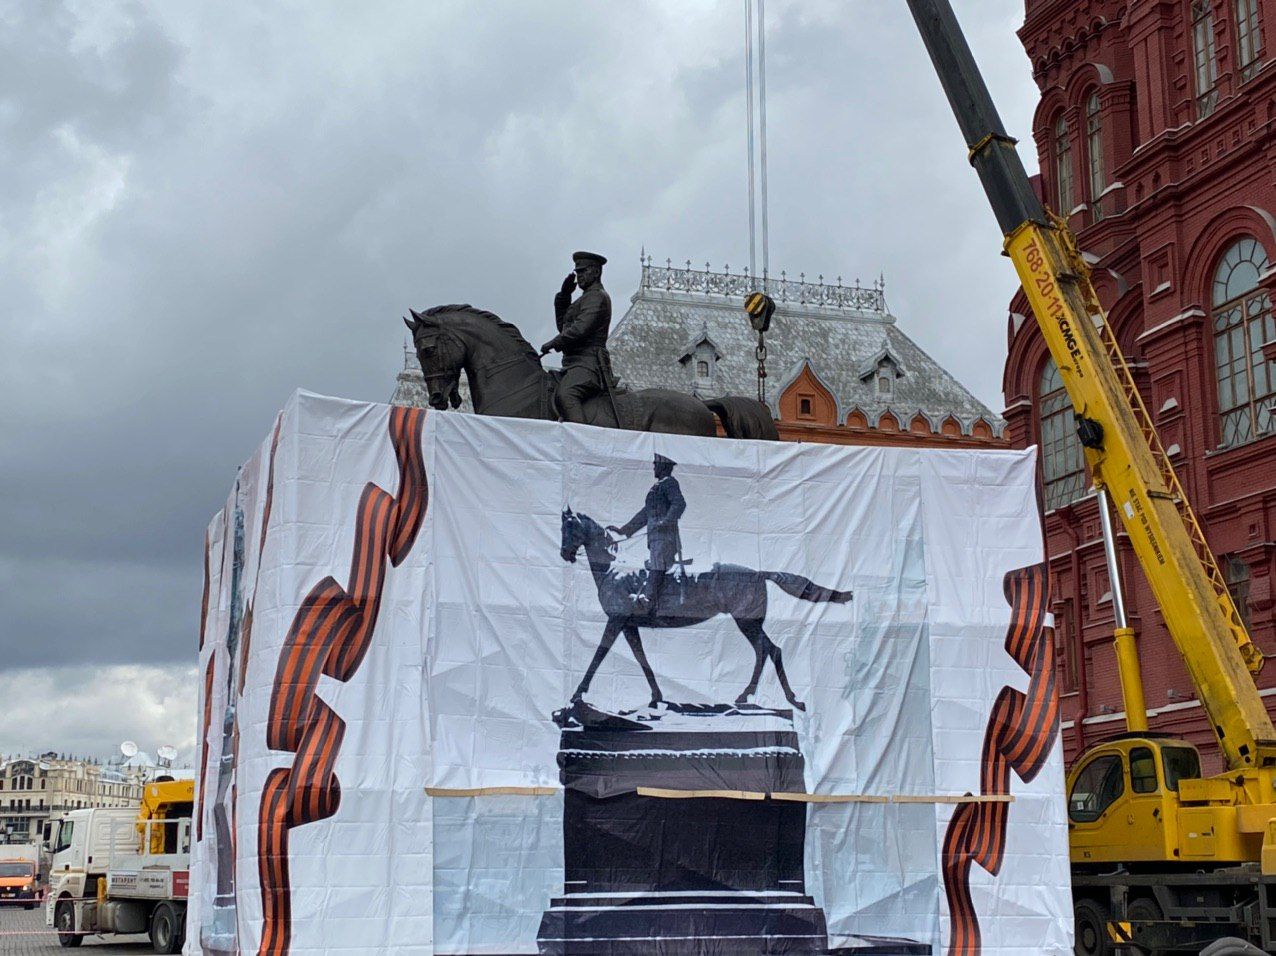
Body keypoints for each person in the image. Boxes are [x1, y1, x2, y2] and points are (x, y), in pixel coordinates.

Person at [540, 251, 613, 424]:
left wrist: (553, 343)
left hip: (588, 364)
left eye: (583, 271)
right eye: (577, 272)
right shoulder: (584, 298)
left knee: (566, 395)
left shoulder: (597, 297)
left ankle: (581, 440)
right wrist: (564, 296)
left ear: (596, 272)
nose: (579, 276)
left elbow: (580, 329)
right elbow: (565, 328)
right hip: (573, 365)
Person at [609, 454, 686, 613]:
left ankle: (648, 599)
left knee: (657, 565)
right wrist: (625, 530)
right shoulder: (657, 487)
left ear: (663, 467)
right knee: (654, 565)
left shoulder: (670, 483)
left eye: (656, 464)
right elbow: (646, 514)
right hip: (656, 538)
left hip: (665, 538)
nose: (653, 467)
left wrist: (665, 522)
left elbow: (679, 503)